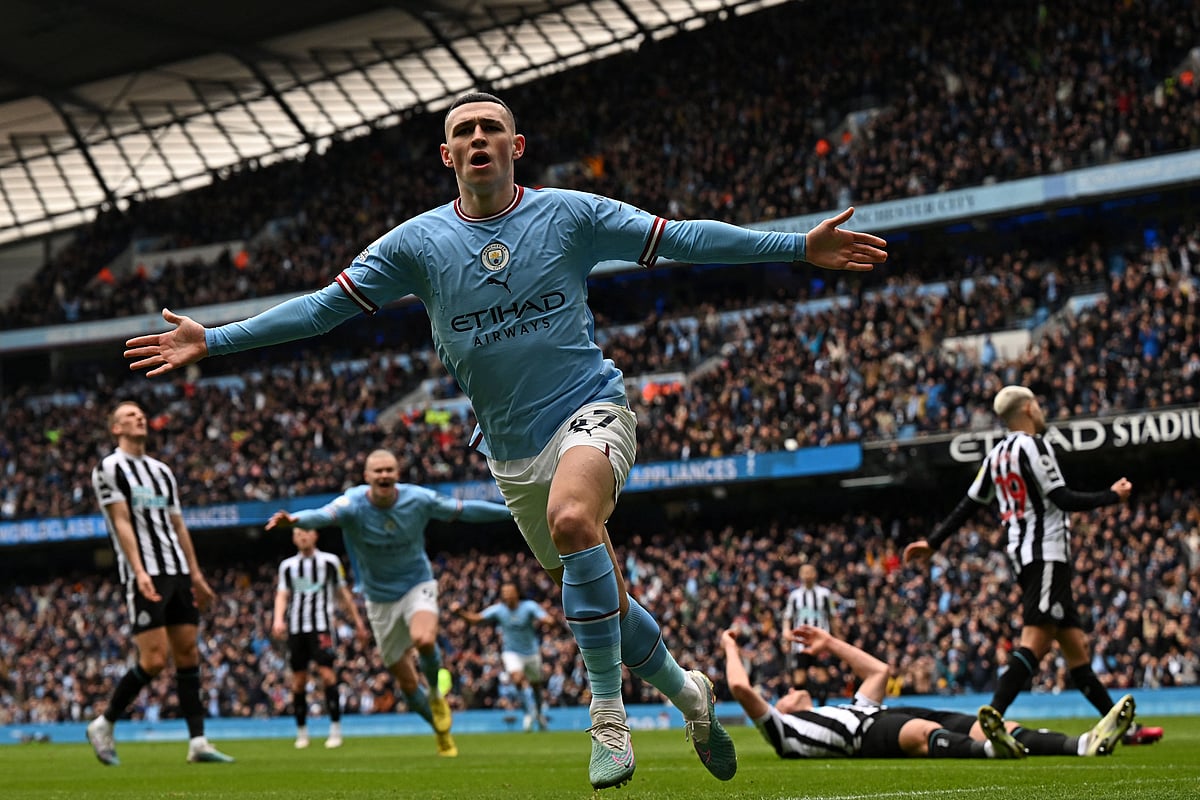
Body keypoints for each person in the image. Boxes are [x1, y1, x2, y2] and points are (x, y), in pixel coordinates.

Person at [123, 90, 888, 790]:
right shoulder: (415, 245)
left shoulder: (569, 214)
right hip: (512, 452)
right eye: (464, 131)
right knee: (610, 607)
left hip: (591, 408)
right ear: (447, 156)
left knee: (572, 521)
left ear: (517, 145)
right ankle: (690, 692)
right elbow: (325, 309)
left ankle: (607, 719)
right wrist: (214, 341)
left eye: (492, 127)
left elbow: (680, 237)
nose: (479, 138)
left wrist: (794, 247)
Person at [902, 385, 1163, 746]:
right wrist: (1111, 497)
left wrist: (933, 542)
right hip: (1046, 555)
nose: (1041, 410)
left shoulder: (996, 455)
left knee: (1077, 653)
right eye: (1037, 404)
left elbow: (969, 503)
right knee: (1035, 641)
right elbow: (1062, 497)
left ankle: (1126, 731)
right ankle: (990, 721)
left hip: (1026, 557)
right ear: (1028, 408)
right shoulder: (1035, 447)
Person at [264, 448, 512, 758]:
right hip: (378, 600)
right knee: (407, 685)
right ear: (366, 477)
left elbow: (462, 509)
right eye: (377, 471)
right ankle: (440, 731)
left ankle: (436, 692)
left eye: (389, 470)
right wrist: (295, 519)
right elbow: (325, 515)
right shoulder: (353, 503)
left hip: (416, 584)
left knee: (424, 639)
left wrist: (510, 512)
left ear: (397, 473)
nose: (384, 475)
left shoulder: (417, 499)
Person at [721, 624, 1136, 760]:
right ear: (779, 709)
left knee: (981, 724)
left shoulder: (843, 708)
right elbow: (739, 685)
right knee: (919, 732)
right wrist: (729, 645)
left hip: (877, 717)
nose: (794, 690)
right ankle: (994, 751)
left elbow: (879, 671)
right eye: (787, 694)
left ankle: (1081, 744)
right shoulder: (785, 731)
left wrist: (830, 644)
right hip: (865, 737)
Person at [86, 401, 235, 765]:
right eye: (129, 416)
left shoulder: (162, 471)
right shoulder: (109, 468)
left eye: (141, 414)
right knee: (153, 660)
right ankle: (104, 724)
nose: (139, 418)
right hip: (145, 570)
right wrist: (139, 571)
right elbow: (121, 521)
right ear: (116, 429)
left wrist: (196, 575)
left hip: (177, 570)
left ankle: (198, 742)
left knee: (188, 653)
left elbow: (178, 525)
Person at [273, 526, 371, 749]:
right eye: (298, 534)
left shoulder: (329, 562)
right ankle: (302, 732)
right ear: (294, 539)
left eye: (306, 532)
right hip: (296, 629)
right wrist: (278, 619)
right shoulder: (287, 566)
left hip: (321, 628)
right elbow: (282, 594)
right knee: (298, 681)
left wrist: (357, 622)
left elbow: (342, 593)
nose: (303, 537)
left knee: (327, 675)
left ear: (315, 535)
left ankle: (335, 729)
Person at [452, 581, 556, 731]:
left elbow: (545, 617)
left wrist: (550, 620)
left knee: (536, 686)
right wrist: (460, 612)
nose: (507, 594)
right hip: (511, 652)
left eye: (509, 591)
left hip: (531, 652)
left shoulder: (529, 607)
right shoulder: (499, 610)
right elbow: (477, 619)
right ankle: (528, 713)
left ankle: (539, 713)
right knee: (517, 678)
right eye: (504, 592)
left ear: (516, 593)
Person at [781, 562, 838, 702]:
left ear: (815, 574)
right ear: (800, 575)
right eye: (804, 572)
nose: (807, 575)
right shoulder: (795, 596)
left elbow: (833, 617)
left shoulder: (825, 594)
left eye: (809, 572)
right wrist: (786, 636)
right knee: (799, 678)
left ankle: (822, 709)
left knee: (822, 676)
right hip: (800, 642)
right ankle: (802, 711)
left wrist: (836, 639)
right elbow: (787, 618)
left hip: (820, 641)